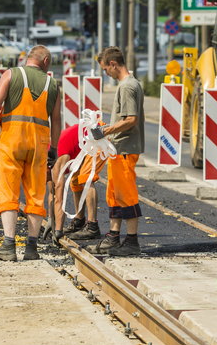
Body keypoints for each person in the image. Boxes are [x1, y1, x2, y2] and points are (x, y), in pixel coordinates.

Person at [0, 45, 61, 261]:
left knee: (8, 190)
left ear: (29, 59)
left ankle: (9, 246)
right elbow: (56, 121)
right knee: (36, 194)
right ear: (45, 60)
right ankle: (31, 248)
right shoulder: (53, 84)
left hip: (11, 141)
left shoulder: (12, 74)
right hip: (39, 145)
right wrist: (53, 149)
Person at [89, 46, 145, 256]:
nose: (106, 74)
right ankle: (114, 236)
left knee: (126, 195)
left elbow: (131, 120)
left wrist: (105, 130)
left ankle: (131, 241)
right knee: (114, 193)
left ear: (113, 64)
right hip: (118, 148)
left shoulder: (127, 87)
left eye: (105, 69)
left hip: (124, 149)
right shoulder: (130, 84)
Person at [49, 122, 106, 245]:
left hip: (98, 136)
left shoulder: (59, 160)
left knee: (86, 178)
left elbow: (59, 195)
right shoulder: (49, 162)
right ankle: (79, 221)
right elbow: (51, 192)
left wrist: (58, 229)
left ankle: (92, 226)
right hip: (86, 144)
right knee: (75, 182)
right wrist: (50, 218)